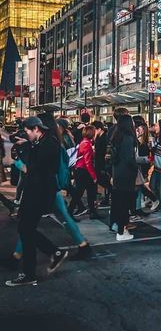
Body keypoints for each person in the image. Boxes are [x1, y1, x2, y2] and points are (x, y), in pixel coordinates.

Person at [6, 116, 67, 287]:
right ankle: (50, 255)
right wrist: (24, 146)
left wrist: (24, 147)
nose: (25, 134)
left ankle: (31, 271)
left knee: (25, 228)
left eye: (27, 132)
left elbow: (33, 166)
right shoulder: (41, 143)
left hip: (40, 193)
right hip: (34, 192)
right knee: (25, 228)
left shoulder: (49, 144)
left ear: (36, 129)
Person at [109, 114, 138, 241]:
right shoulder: (128, 138)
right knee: (125, 203)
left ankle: (119, 228)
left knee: (118, 202)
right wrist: (136, 166)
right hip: (126, 174)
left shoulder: (116, 137)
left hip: (117, 172)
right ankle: (121, 231)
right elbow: (129, 159)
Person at [68, 125, 98, 219]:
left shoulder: (83, 142)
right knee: (82, 193)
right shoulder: (87, 144)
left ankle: (92, 212)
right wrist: (94, 176)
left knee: (83, 192)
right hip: (84, 171)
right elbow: (88, 162)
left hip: (79, 170)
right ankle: (70, 212)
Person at [149, 119, 161, 212]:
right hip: (157, 168)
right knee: (152, 185)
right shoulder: (156, 138)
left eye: (156, 126)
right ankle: (157, 203)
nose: (154, 127)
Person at [92, 120, 111, 206]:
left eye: (94, 130)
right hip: (99, 163)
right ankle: (107, 197)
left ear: (99, 129)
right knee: (102, 181)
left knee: (104, 181)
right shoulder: (99, 137)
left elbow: (103, 151)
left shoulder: (104, 138)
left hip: (103, 164)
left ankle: (107, 198)